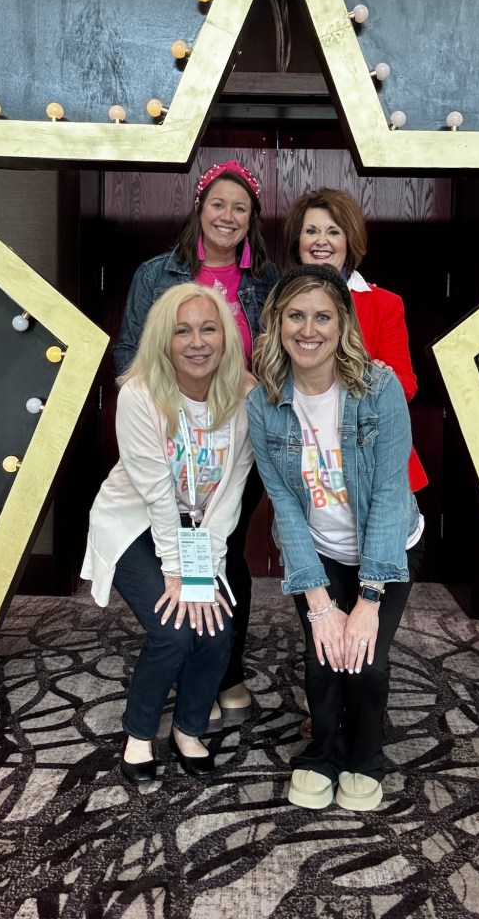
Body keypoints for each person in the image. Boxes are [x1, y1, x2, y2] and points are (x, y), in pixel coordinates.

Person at [246, 265, 424, 811]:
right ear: (277, 323)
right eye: (295, 316)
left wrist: (368, 599)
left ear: (342, 322)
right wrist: (320, 602)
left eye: (322, 316)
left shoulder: (379, 387)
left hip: (385, 545)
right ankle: (324, 752)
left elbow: (393, 494)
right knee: (324, 654)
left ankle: (365, 756)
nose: (308, 329)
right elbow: (285, 507)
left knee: (365, 657)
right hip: (319, 550)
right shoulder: (264, 401)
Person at [113, 160, 280, 724]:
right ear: (200, 209)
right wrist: (148, 416)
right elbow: (130, 349)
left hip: (234, 433)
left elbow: (279, 359)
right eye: (218, 204)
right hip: (168, 432)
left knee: (225, 546)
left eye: (240, 207)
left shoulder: (267, 282)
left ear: (251, 218)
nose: (227, 216)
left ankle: (220, 671)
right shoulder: (155, 273)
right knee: (175, 536)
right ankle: (181, 662)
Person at [82, 283, 255, 783]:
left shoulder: (245, 395)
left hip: (197, 527)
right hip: (134, 523)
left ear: (225, 336)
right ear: (164, 340)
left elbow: (228, 498)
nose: (197, 341)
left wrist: (209, 572)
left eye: (208, 328)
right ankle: (138, 735)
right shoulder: (139, 394)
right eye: (182, 331)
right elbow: (158, 496)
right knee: (174, 631)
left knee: (219, 629)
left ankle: (188, 728)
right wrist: (179, 575)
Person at [285, 187, 427, 493]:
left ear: (349, 241)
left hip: (375, 460)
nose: (321, 240)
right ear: (299, 243)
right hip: (306, 460)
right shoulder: (281, 303)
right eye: (311, 231)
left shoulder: (384, 304)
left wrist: (374, 380)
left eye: (333, 231)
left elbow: (407, 384)